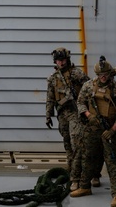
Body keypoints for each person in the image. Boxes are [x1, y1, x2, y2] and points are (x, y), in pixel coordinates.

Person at [74, 56, 116, 206]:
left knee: (112, 162)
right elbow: (80, 102)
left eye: (105, 75)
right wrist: (88, 115)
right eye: (100, 75)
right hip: (92, 129)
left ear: (110, 74)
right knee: (88, 157)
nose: (103, 78)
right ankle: (85, 186)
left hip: (109, 130)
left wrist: (113, 129)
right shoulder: (88, 86)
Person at [44, 46, 88, 191]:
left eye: (63, 60)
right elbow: (50, 98)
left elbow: (89, 88)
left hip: (75, 113)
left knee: (76, 143)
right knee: (68, 144)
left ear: (67, 59)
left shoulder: (76, 73)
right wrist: (48, 115)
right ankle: (71, 171)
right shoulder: (53, 78)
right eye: (58, 60)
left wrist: (84, 108)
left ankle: (76, 178)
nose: (61, 63)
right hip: (62, 114)